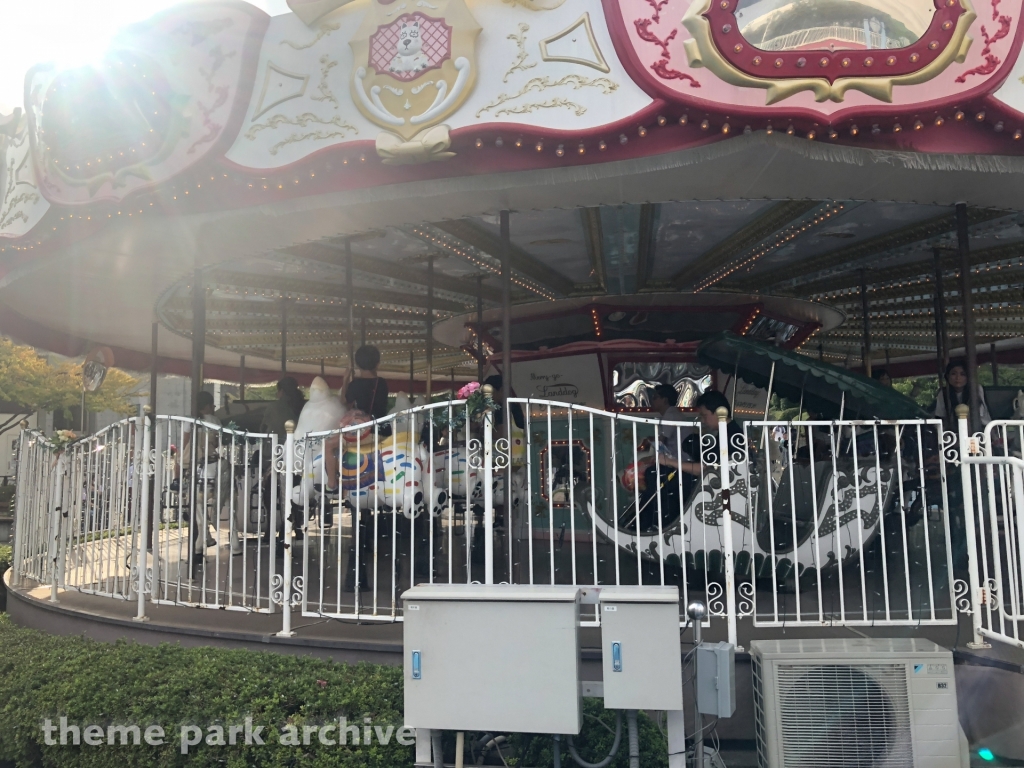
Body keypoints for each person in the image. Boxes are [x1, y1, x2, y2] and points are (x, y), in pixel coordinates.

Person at [933, 359, 991, 430]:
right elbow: (940, 416)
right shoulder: (943, 393)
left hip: (982, 429)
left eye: (962, 374)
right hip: (953, 432)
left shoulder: (976, 389)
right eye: (954, 374)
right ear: (948, 376)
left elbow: (979, 414)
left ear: (968, 377)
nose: (958, 378)